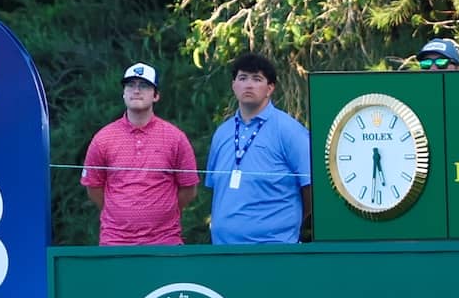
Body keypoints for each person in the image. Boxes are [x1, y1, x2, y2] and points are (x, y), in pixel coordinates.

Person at [80, 63, 200, 246]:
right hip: (115, 242)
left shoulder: (175, 138)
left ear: (156, 95)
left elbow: (189, 189)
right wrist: (118, 213)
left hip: (164, 241)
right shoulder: (103, 138)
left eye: (144, 86)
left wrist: (163, 212)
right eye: (130, 85)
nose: (136, 91)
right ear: (123, 93)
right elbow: (93, 187)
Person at [205, 52, 312, 245]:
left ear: (270, 88)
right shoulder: (222, 133)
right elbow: (216, 189)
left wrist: (289, 223)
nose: (248, 85)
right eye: (242, 78)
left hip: (274, 248)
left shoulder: (290, 131)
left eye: (257, 79)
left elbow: (312, 188)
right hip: (223, 250)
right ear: (233, 85)